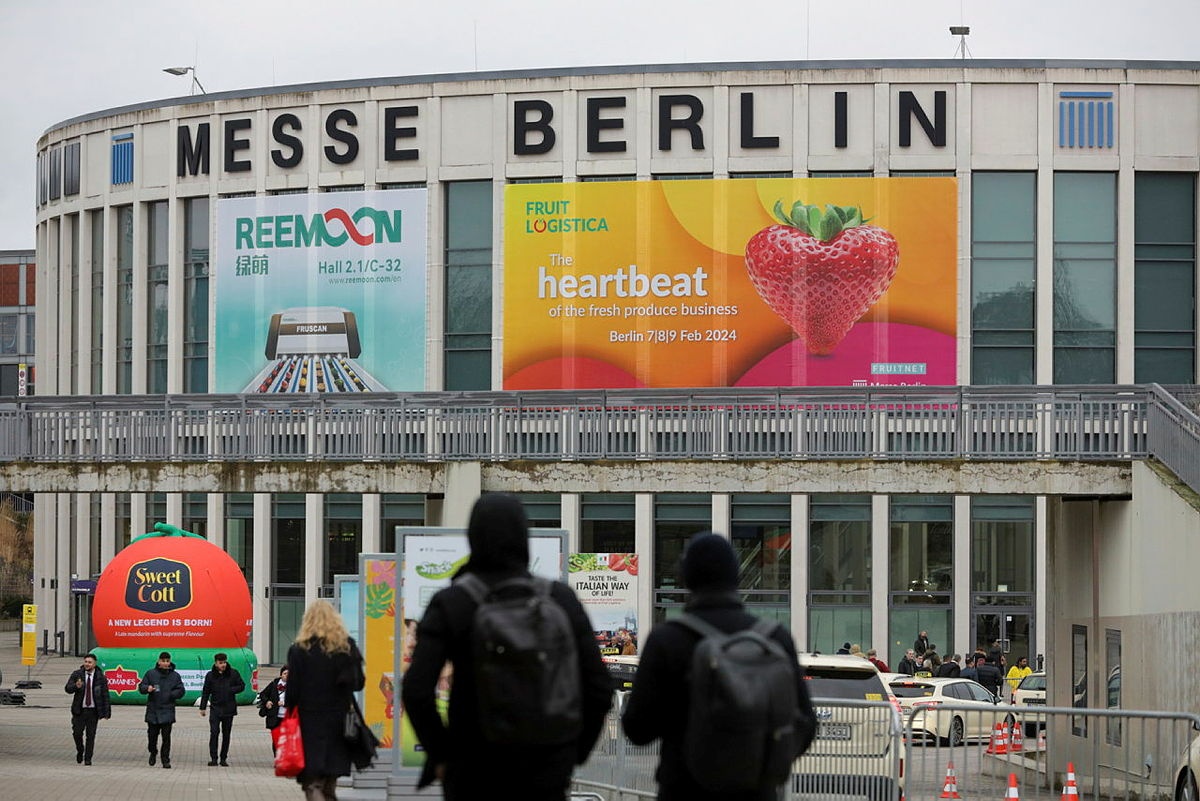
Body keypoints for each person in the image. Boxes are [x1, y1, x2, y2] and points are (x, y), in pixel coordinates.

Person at [401, 493, 613, 800]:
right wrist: (570, 755)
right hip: (545, 768)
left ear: (473, 536)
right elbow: (599, 687)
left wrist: (444, 754)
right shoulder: (559, 599)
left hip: (474, 768)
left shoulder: (452, 602)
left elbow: (416, 690)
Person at [622, 532, 817, 801]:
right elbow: (805, 724)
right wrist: (759, 758)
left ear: (686, 578)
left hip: (684, 789)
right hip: (756, 792)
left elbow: (637, 730)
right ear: (736, 576)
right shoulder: (773, 638)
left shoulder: (667, 639)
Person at [286, 600, 367, 801]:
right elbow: (358, 684)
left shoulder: (298, 650)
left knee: (312, 782)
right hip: (339, 722)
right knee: (330, 783)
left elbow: (292, 692)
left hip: (309, 722)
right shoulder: (346, 647)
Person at [138, 650, 185, 769]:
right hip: (153, 710)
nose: (165, 663)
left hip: (167, 710)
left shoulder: (175, 676)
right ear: (159, 662)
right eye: (163, 661)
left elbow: (181, 690)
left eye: (167, 661)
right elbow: (141, 687)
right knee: (152, 737)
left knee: (166, 738)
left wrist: (172, 694)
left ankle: (165, 759)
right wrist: (146, 688)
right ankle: (153, 752)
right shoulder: (151, 673)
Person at [200, 651, 246, 766]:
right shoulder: (210, 675)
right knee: (214, 732)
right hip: (215, 708)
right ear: (216, 664)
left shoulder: (233, 673)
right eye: (221, 663)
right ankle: (214, 758)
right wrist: (203, 707)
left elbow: (242, 686)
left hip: (229, 709)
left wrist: (231, 690)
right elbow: (206, 691)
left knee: (226, 734)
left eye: (224, 662)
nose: (223, 665)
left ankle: (223, 758)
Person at [65, 652, 112, 765]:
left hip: (93, 711)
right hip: (79, 711)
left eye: (90, 662)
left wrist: (107, 712)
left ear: (95, 664)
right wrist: (76, 686)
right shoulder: (77, 675)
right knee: (77, 733)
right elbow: (67, 688)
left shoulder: (101, 677)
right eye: (85, 662)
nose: (87, 664)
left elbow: (105, 695)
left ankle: (88, 758)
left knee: (90, 736)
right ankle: (80, 750)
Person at [258, 666, 288, 754]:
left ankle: (284, 758)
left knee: (286, 739)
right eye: (285, 673)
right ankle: (277, 758)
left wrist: (285, 703)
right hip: (274, 716)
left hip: (287, 717)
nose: (287, 676)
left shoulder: (294, 686)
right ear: (281, 675)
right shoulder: (274, 684)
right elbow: (263, 694)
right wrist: (267, 701)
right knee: (276, 739)